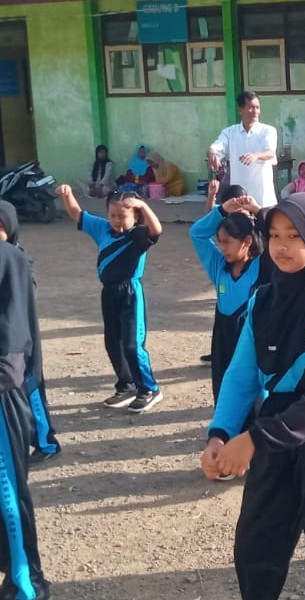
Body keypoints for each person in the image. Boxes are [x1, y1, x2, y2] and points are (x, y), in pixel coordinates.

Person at [199, 193, 305, 600]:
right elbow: (241, 375)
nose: (282, 246)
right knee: (256, 545)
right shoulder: (263, 299)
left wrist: (255, 439)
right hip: (275, 421)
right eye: (274, 235)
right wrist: (220, 434)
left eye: (294, 235)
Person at [56, 184, 164, 413]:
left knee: (132, 345)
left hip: (130, 293)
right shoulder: (103, 229)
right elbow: (77, 214)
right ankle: (126, 384)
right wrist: (68, 195)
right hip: (109, 293)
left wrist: (143, 205)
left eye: (122, 216)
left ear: (135, 217)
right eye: (112, 215)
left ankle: (149, 388)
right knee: (113, 343)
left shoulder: (138, 235)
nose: (116, 220)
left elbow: (156, 230)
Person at [0, 216, 51, 600]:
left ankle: (26, 582)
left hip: (2, 389)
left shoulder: (9, 259)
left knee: (7, 491)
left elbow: (18, 334)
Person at [0, 201, 61, 466]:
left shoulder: (18, 258)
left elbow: (28, 295)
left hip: (21, 339)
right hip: (9, 340)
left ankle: (47, 442)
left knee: (32, 388)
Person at [190, 189, 264, 404]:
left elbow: (277, 232)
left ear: (247, 241)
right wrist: (221, 210)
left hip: (251, 339)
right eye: (219, 242)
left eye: (227, 242)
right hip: (223, 338)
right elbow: (197, 233)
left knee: (252, 396)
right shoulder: (218, 266)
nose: (222, 248)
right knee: (223, 389)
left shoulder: (263, 266)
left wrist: (257, 210)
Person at [208, 91, 278, 208]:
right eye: (251, 107)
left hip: (263, 197)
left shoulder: (268, 131)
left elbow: (270, 153)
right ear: (240, 110)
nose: (255, 111)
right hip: (238, 197)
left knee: (264, 219)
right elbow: (217, 146)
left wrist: (256, 155)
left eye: (257, 107)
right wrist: (212, 153)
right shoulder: (230, 132)